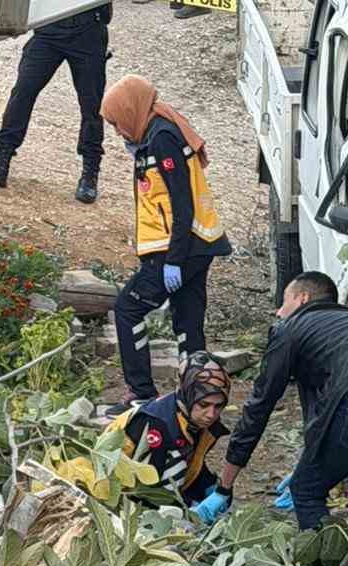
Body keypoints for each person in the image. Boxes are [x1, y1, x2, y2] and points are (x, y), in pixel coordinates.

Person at [194, 271, 348, 531]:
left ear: (302, 298)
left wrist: (225, 486)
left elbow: (260, 405)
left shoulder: (291, 328)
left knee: (307, 490)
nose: (278, 311)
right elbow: (322, 414)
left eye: (284, 301)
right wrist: (310, 461)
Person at [100, 74, 232, 403]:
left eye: (117, 123)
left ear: (131, 109)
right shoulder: (157, 130)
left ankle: (141, 393)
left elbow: (180, 201)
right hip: (198, 244)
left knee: (127, 309)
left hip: (178, 248)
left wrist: (173, 259)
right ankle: (199, 398)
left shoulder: (162, 138)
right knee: (188, 323)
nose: (118, 131)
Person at [0, 3, 112, 205]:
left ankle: (90, 172)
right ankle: (1, 161)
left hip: (88, 29)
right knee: (23, 92)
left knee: (91, 104)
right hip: (49, 28)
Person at [104, 352, 231, 504]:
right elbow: (153, 484)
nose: (211, 414)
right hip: (118, 489)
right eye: (203, 405)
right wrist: (188, 508)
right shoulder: (157, 423)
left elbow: (193, 460)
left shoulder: (191, 417)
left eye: (219, 406)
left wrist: (211, 488)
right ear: (188, 395)